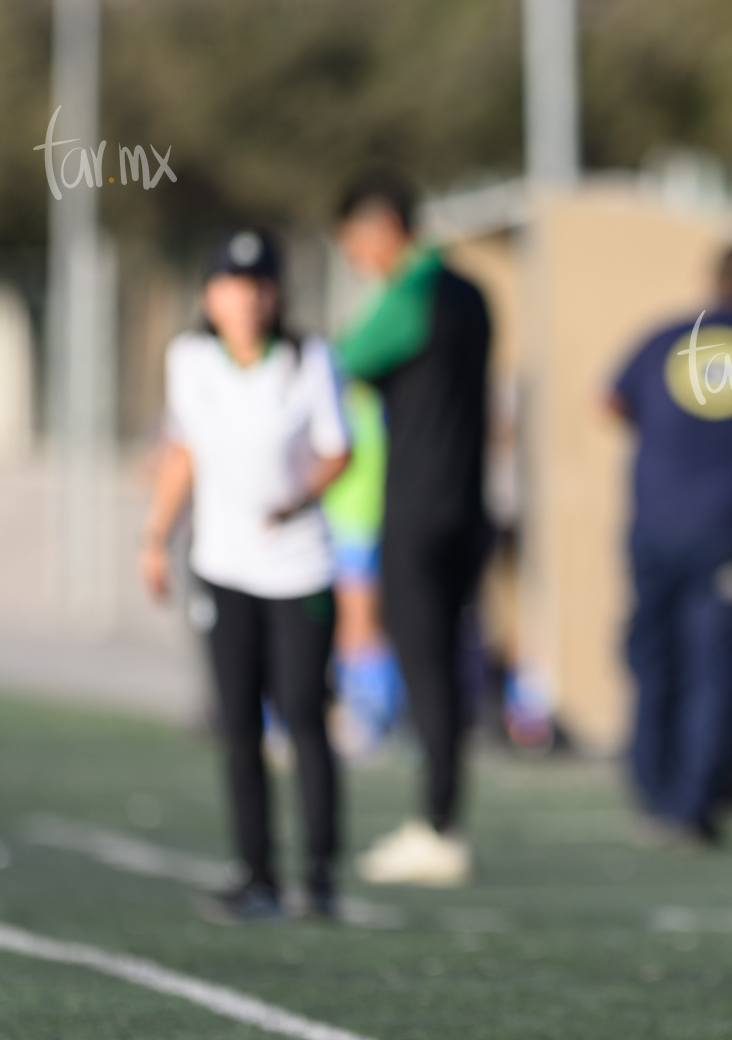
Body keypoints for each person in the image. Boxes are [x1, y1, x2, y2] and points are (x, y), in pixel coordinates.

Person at [142, 229, 350, 922]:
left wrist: (294, 498)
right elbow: (183, 450)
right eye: (233, 284)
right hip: (223, 565)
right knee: (238, 724)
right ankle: (255, 872)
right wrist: (155, 536)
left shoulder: (307, 359)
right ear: (210, 295)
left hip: (298, 566)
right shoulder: (191, 359)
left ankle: (318, 872)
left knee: (305, 715)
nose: (247, 298)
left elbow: (335, 449)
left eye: (260, 284)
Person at [608, 247, 732, 843]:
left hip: (655, 523)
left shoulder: (665, 338)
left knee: (654, 661)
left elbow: (610, 402)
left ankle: (651, 790)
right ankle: (692, 803)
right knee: (714, 669)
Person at [334, 177, 491, 886]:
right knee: (446, 666)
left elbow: (346, 360)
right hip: (467, 502)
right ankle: (444, 813)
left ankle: (437, 823)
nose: (356, 258)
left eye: (356, 243)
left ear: (381, 229)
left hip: (415, 505)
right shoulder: (474, 293)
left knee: (423, 665)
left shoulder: (412, 294)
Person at [322, 378, 404, 761]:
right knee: (357, 622)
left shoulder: (355, 401)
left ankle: (370, 716)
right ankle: (371, 713)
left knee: (358, 623)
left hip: (354, 523)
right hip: (358, 522)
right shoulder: (375, 401)